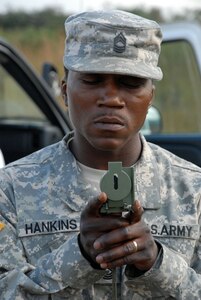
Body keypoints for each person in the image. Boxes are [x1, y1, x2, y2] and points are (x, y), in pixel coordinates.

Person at [0, 9, 201, 300]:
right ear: (66, 91)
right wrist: (79, 256)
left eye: (130, 83)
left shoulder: (193, 190)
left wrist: (157, 263)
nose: (112, 99)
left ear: (150, 97)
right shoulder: (10, 191)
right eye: (93, 80)